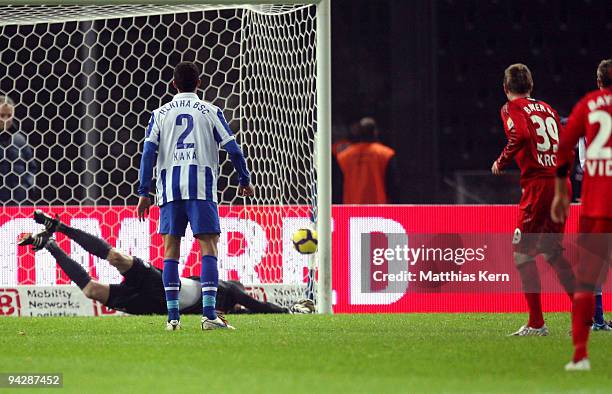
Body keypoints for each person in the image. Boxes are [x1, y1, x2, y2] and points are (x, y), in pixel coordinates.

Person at [136, 62, 254, 331]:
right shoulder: (211, 111)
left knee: (170, 251)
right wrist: (243, 179)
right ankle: (209, 315)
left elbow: (147, 154)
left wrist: (144, 191)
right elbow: (234, 150)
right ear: (199, 83)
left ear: (173, 85)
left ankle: (173, 319)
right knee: (208, 248)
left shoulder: (160, 113)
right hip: (201, 190)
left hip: (169, 191)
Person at [18, 211, 314, 316]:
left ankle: (51, 245)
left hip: (152, 306)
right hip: (161, 283)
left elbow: (253, 314)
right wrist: (288, 310)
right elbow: (257, 306)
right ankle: (60, 227)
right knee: (117, 257)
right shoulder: (226, 289)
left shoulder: (219, 309)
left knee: (92, 291)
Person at [491, 63, 576, 336]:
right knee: (552, 251)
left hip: (539, 187)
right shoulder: (549, 109)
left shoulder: (510, 108)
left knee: (521, 255)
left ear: (505, 89)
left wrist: (501, 161)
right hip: (560, 183)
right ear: (531, 87)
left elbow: (521, 134)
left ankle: (537, 323)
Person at [551, 59, 612, 371]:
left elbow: (564, 147)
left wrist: (562, 191)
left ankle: (580, 355)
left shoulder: (589, 105)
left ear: (598, 80)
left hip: (598, 200)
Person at [336, 117, 400, 204]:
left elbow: (338, 187)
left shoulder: (343, 156)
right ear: (375, 132)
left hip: (351, 209)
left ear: (358, 132)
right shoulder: (385, 154)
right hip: (379, 209)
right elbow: (393, 186)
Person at [0, 95, 37, 204]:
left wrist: (28, 186)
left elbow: (32, 167)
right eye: (2, 115)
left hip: (18, 203)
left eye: (9, 115)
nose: (6, 119)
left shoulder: (20, 140)